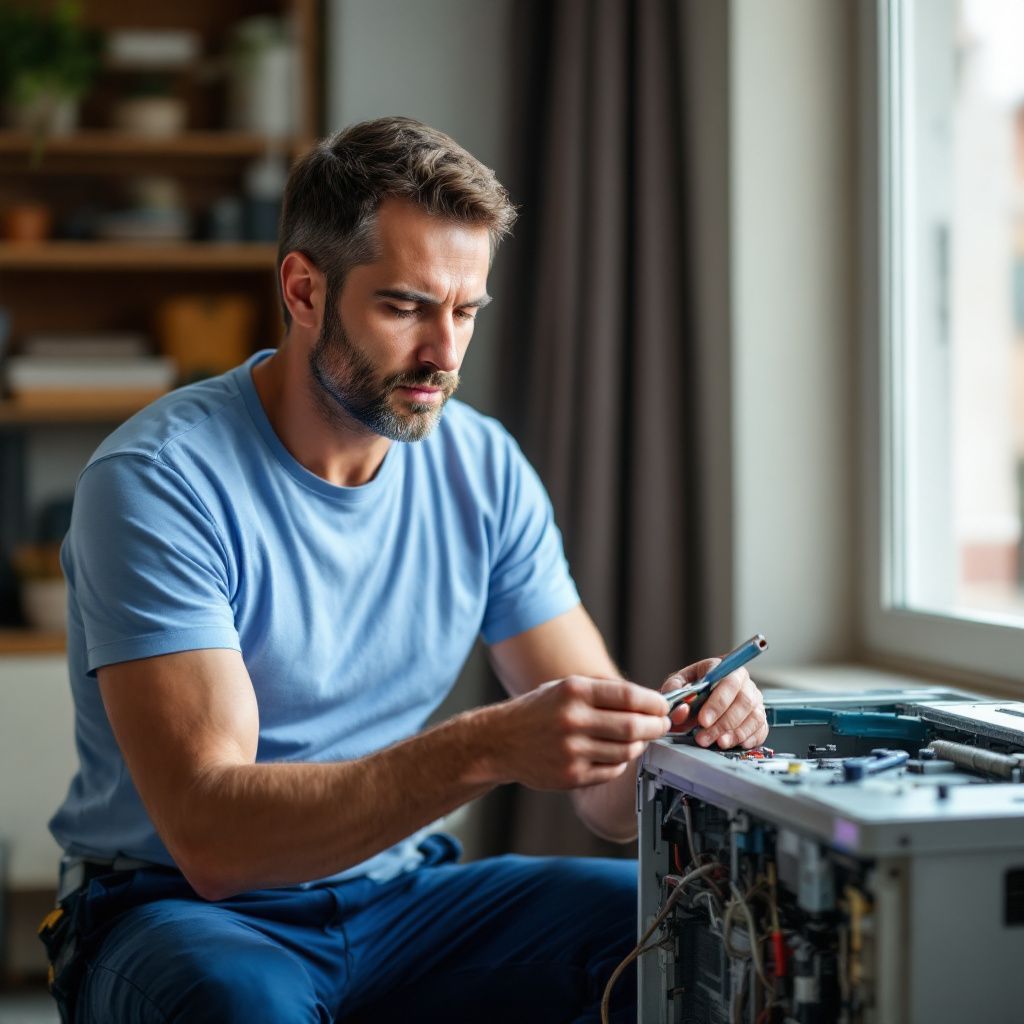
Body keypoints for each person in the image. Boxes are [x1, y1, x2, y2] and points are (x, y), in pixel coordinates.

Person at [41, 117, 768, 1023]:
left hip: (400, 899)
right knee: (234, 1001)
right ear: (304, 291)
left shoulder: (484, 468)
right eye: (406, 307)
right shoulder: (158, 482)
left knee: (686, 936)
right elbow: (214, 840)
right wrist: (490, 744)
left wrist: (672, 739)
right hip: (179, 908)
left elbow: (604, 802)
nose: (445, 355)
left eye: (465, 311)